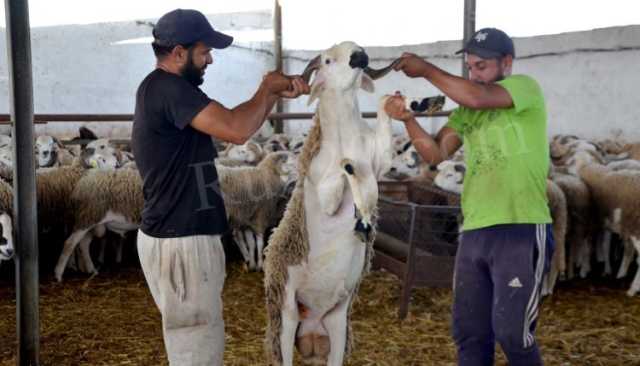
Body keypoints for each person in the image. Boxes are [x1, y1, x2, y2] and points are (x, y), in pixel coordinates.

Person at [131, 9, 309, 366]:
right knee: (196, 347)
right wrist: (266, 88)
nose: (210, 59)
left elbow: (239, 121)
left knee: (196, 341)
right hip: (182, 241)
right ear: (179, 53)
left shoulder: (164, 89)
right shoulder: (170, 89)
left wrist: (271, 94)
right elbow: (237, 129)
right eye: (204, 51)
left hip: (180, 236)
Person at [384, 28, 554, 366]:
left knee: (512, 333)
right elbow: (434, 155)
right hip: (475, 229)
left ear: (506, 62)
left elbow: (477, 96)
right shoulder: (465, 114)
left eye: (482, 66)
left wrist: (428, 70)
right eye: (470, 67)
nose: (474, 74)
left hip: (519, 226)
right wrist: (408, 120)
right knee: (470, 333)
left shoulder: (524, 89)